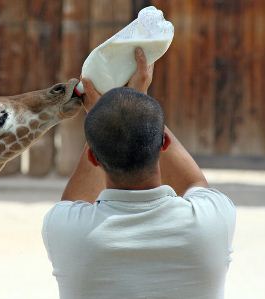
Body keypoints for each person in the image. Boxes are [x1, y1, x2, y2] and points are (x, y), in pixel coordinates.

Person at [42, 48, 236, 299]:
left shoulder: (64, 230)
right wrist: (133, 101)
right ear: (164, 143)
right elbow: (194, 182)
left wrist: (107, 116)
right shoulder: (212, 220)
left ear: (93, 158)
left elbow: (71, 203)